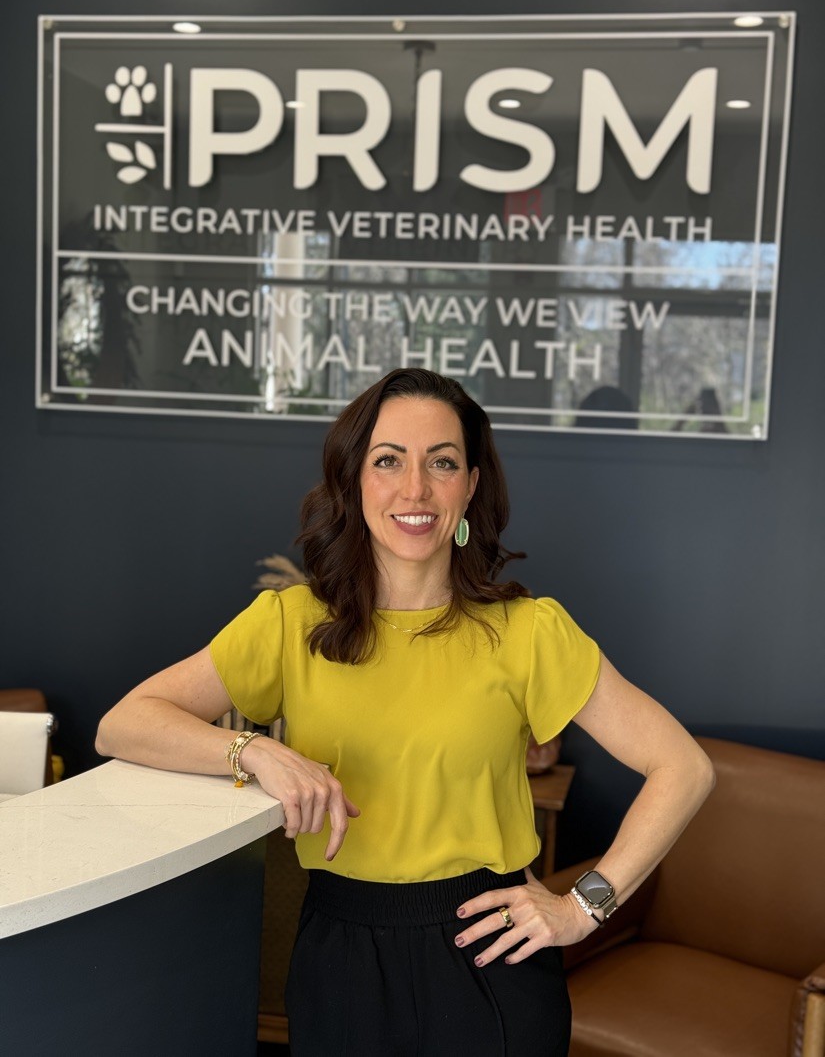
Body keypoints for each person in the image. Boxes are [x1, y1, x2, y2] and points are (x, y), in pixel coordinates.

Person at [96, 367, 714, 1056]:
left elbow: (682, 767)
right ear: (354, 478)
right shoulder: (291, 622)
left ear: (470, 486)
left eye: (441, 463)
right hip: (339, 956)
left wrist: (582, 907)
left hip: (491, 959)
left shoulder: (527, 631)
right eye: (388, 460)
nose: (415, 489)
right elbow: (123, 722)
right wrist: (255, 753)